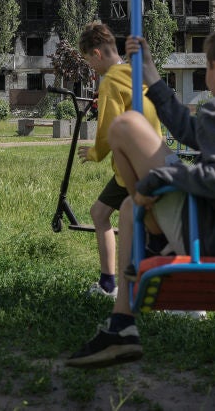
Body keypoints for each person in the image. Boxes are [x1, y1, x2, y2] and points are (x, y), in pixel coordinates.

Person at [66, 20, 215, 368]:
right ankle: (121, 326)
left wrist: (155, 182)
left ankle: (159, 242)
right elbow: (193, 132)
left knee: (125, 127)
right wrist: (154, 80)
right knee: (131, 209)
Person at [76, 21, 162, 300]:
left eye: (89, 62)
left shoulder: (111, 80)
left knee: (102, 215)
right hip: (155, 158)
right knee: (124, 217)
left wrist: (94, 153)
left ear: (97, 54)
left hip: (134, 169)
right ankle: (119, 282)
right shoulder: (135, 73)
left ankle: (109, 285)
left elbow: (108, 129)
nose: (91, 68)